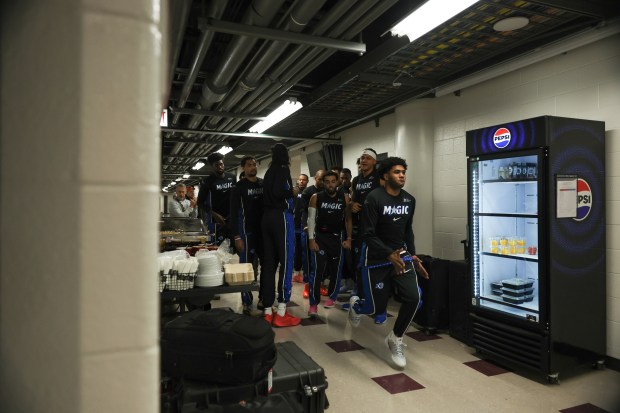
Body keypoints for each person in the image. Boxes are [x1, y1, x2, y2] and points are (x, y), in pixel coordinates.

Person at [348, 156, 429, 369]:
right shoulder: (374, 199)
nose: (401, 175)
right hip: (375, 257)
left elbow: (407, 230)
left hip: (400, 255)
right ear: (385, 175)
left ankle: (396, 338)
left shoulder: (409, 200)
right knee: (375, 308)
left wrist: (412, 255)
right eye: (396, 172)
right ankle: (357, 305)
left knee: (414, 297)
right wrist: (387, 254)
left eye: (403, 172)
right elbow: (367, 234)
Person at [261, 143, 301, 327]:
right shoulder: (283, 169)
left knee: (269, 264)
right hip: (281, 218)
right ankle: (282, 309)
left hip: (266, 218)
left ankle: (268, 309)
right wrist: (291, 192)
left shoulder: (268, 172)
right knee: (286, 262)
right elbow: (280, 192)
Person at [306, 171, 352, 317]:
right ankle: (313, 304)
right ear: (323, 183)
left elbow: (348, 220)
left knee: (336, 270)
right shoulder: (315, 197)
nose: (330, 184)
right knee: (317, 271)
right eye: (327, 181)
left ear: (337, 182)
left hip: (337, 238)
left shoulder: (344, 198)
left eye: (333, 181)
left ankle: (332, 297)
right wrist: (311, 240)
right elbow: (311, 220)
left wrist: (349, 238)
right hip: (320, 238)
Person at [345, 148, 382, 312]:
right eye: (362, 158)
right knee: (359, 263)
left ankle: (372, 299)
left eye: (367, 158)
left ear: (374, 161)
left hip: (377, 228)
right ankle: (358, 296)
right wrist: (351, 205)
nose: (364, 161)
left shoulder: (379, 178)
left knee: (373, 265)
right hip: (361, 228)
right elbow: (352, 201)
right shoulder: (356, 180)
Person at [229, 156, 264, 315]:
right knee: (246, 267)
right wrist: (236, 236)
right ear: (243, 168)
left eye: (254, 164)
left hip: (263, 232)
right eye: (249, 165)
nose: (252, 167)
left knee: (267, 267)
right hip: (246, 233)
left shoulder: (263, 184)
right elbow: (233, 213)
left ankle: (264, 297)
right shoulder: (239, 187)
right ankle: (246, 301)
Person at [197, 152, 236, 246]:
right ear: (212, 166)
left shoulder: (232, 177)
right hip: (217, 222)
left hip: (232, 219)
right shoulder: (207, 182)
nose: (220, 167)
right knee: (219, 248)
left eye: (221, 164)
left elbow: (235, 196)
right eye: (217, 165)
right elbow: (200, 203)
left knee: (234, 247)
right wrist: (214, 214)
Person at [300, 169, 326, 298]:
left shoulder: (327, 192)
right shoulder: (308, 192)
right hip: (309, 229)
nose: (322, 182)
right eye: (320, 179)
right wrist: (306, 226)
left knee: (320, 260)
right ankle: (308, 285)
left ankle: (319, 284)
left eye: (324, 179)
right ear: (315, 178)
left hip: (322, 230)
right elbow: (304, 211)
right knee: (308, 259)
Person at [293, 174, 309, 283]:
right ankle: (296, 273)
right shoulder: (294, 192)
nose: (301, 181)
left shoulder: (309, 192)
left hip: (304, 227)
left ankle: (305, 274)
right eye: (300, 179)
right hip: (294, 227)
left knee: (305, 251)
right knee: (296, 251)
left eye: (304, 180)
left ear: (307, 181)